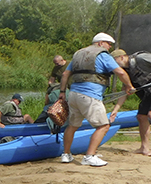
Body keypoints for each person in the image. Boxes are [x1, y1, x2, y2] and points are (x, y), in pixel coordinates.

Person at [58, 33, 135, 166]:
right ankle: (89, 156)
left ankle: (66, 155)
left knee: (72, 126)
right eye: (108, 44)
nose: (109, 47)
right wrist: (129, 86)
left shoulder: (78, 54)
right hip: (90, 95)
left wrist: (62, 92)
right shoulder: (102, 55)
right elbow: (120, 72)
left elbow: (65, 74)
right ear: (100, 43)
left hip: (73, 94)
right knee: (103, 126)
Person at [109, 49, 151, 155]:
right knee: (142, 116)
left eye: (114, 61)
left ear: (122, 57)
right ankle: (144, 148)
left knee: (147, 114)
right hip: (147, 94)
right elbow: (125, 91)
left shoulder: (140, 58)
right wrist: (116, 110)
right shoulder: (125, 71)